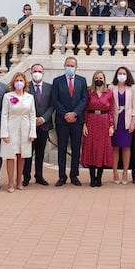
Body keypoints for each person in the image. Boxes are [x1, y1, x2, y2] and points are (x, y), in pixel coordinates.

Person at [51, 56, 88, 186]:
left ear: (76, 67)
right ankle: (62, 176)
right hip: (62, 120)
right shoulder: (57, 81)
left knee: (76, 149)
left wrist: (75, 113)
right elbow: (55, 100)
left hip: (77, 121)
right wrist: (65, 114)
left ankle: (74, 175)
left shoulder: (82, 81)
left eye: (72, 66)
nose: (70, 68)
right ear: (64, 66)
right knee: (61, 148)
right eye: (68, 65)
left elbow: (84, 99)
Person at [0, 72, 36, 193]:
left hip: (25, 129)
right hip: (11, 128)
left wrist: (32, 132)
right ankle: (10, 182)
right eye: (17, 80)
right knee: (10, 155)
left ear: (25, 82)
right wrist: (4, 133)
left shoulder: (30, 97)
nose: (19, 83)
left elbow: (32, 115)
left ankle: (19, 180)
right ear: (13, 83)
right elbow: (4, 115)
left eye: (21, 80)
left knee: (22, 155)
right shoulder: (7, 96)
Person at [81, 71, 115, 187]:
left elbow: (111, 110)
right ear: (93, 79)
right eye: (96, 78)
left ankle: (99, 178)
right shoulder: (89, 92)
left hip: (104, 122)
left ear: (104, 79)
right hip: (91, 121)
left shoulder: (109, 93)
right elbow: (85, 109)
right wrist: (84, 124)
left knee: (102, 149)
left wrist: (111, 125)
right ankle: (92, 178)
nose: (98, 80)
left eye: (100, 78)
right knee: (91, 148)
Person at [22, 64, 53, 187]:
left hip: (43, 125)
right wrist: (32, 119)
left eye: (39, 71)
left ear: (43, 73)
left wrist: (43, 118)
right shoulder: (25, 87)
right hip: (29, 125)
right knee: (28, 152)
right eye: (35, 71)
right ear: (31, 72)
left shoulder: (50, 87)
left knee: (40, 152)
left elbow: (52, 105)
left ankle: (39, 176)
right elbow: (22, 105)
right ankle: (26, 177)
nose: (37, 73)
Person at [109, 66, 135, 184]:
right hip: (115, 120)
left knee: (126, 147)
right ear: (116, 75)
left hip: (127, 120)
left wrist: (133, 122)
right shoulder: (111, 87)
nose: (121, 75)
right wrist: (110, 123)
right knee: (115, 147)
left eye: (124, 73)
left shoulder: (132, 88)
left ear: (127, 75)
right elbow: (109, 105)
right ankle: (115, 172)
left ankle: (125, 172)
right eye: (119, 73)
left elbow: (134, 106)